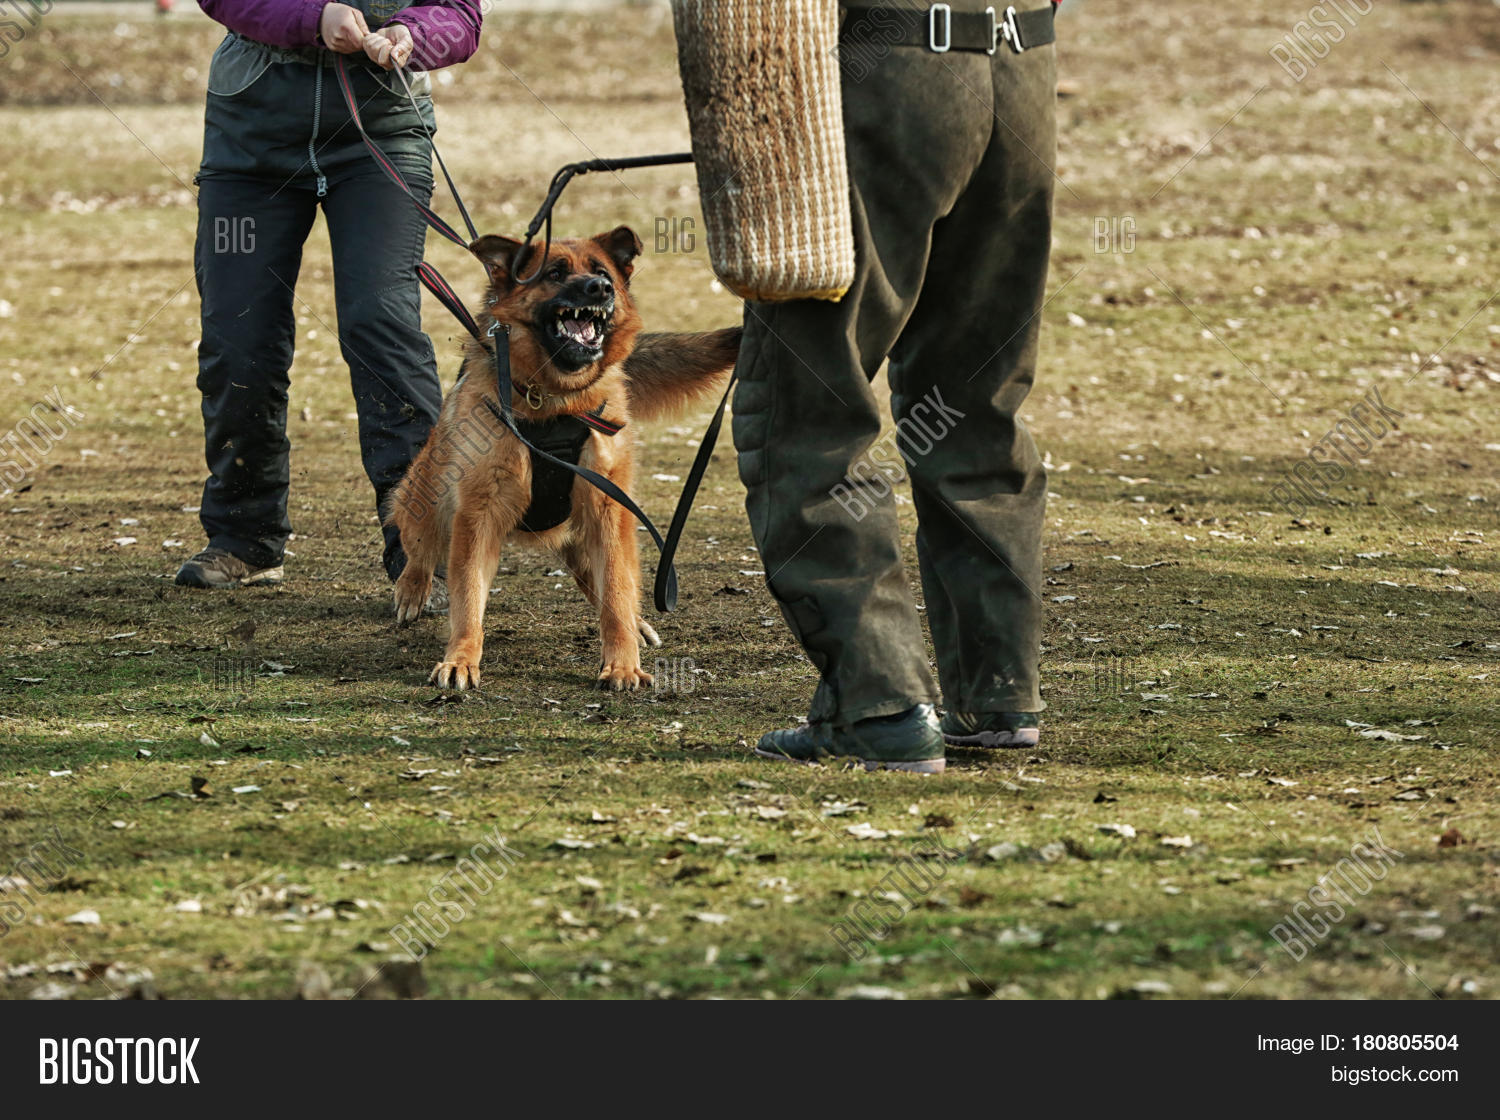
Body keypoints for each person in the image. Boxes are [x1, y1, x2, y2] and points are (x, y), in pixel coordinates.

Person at [738, 1, 1060, 773]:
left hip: (886, 68)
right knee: (974, 398)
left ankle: (878, 707)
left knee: (806, 401)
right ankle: (997, 695)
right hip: (1020, 66)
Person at [176, 1, 482, 595]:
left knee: (380, 321)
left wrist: (410, 34)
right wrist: (312, 18)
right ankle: (245, 538)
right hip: (251, 140)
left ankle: (423, 549)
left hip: (383, 134)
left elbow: (460, 15)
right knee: (239, 336)